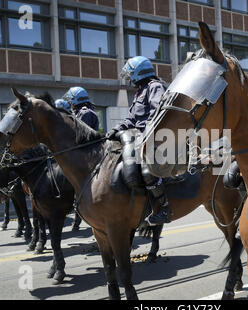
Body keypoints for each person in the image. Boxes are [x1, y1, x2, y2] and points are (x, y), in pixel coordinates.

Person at [105, 56, 171, 226]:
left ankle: (164, 208)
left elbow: (158, 113)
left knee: (148, 173)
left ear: (139, 73)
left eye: (130, 74)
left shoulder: (154, 87)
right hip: (138, 135)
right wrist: (117, 128)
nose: (128, 78)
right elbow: (132, 119)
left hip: (154, 137)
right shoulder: (140, 91)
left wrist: (144, 133)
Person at [62, 87, 100, 230]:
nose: (70, 103)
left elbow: (79, 136)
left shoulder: (85, 113)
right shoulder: (78, 113)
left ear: (76, 99)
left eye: (71, 100)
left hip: (87, 154)